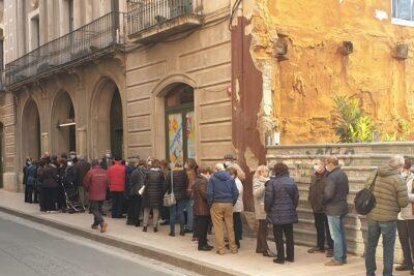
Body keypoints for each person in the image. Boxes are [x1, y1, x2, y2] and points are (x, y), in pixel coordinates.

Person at [365, 155, 409, 276]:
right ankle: (387, 274)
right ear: (399, 166)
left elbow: (366, 189)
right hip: (388, 219)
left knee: (371, 246)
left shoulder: (375, 173)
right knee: (388, 248)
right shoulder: (398, 179)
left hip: (372, 216)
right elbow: (403, 202)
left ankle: (370, 273)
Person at [265, 162, 299, 264]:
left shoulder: (272, 183)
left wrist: (267, 209)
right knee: (289, 236)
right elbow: (296, 197)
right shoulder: (291, 181)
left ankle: (280, 258)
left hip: (276, 214)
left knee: (278, 236)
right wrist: (292, 208)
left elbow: (268, 199)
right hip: (289, 213)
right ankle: (290, 256)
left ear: (276, 171)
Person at [322, 155, 349, 266]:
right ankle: (343, 257)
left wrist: (322, 201)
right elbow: (347, 190)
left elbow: (328, 194)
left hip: (333, 209)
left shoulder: (332, 176)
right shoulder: (343, 174)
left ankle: (338, 259)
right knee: (341, 234)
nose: (326, 166)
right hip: (342, 207)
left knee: (335, 236)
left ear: (331, 164)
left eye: (326, 164)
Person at [207, 163, 239, 255]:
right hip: (229, 203)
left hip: (216, 203)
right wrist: (232, 202)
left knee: (218, 227)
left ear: (216, 170)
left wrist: (211, 204)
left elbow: (209, 193)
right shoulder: (230, 178)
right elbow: (236, 193)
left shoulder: (212, 179)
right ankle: (233, 248)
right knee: (230, 226)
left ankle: (221, 249)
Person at [308, 158, 333, 257]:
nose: (315, 166)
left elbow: (330, 192)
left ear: (323, 165)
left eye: (317, 164)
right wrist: (310, 199)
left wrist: (325, 202)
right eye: (314, 164)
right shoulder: (314, 176)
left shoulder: (329, 176)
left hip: (326, 207)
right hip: (316, 206)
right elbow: (311, 188)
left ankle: (331, 248)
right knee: (319, 227)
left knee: (329, 228)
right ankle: (320, 246)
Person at [396, 157, 414, 273]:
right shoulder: (397, 179)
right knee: (403, 239)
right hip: (400, 214)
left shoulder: (413, 179)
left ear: (404, 167)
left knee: (413, 240)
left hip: (411, 214)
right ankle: (407, 263)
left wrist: (405, 195)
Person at [253, 165, 275, 257]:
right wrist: (264, 186)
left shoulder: (269, 180)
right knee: (263, 229)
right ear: (259, 173)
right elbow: (256, 194)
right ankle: (265, 250)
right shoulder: (257, 180)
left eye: (267, 171)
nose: (266, 173)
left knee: (262, 228)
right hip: (261, 208)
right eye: (264, 171)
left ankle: (259, 248)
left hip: (267, 208)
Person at [83, 160, 109, 233]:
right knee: (99, 209)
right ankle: (95, 224)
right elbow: (108, 182)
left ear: (92, 165)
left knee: (94, 209)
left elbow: (86, 182)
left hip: (94, 193)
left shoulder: (91, 172)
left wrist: (87, 190)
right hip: (103, 193)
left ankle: (102, 223)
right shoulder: (104, 171)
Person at [193, 166, 213, 251]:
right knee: (202, 228)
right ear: (206, 172)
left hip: (201, 208)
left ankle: (204, 243)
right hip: (202, 209)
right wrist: (211, 195)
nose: (210, 175)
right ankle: (201, 245)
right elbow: (205, 194)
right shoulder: (202, 181)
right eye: (210, 173)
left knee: (203, 227)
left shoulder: (199, 180)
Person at [142, 159, 164, 232]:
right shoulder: (161, 173)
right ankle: (155, 227)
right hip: (157, 194)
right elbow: (162, 184)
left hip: (148, 194)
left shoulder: (148, 172)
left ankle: (145, 226)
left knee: (146, 210)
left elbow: (144, 183)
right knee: (155, 211)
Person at [166, 167, 189, 236]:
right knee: (180, 212)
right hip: (181, 195)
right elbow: (186, 184)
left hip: (172, 195)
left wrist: (164, 192)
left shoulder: (170, 174)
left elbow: (166, 184)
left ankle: (172, 232)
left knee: (172, 213)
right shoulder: (184, 174)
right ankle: (182, 231)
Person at [227, 166, 244, 249]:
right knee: (234, 224)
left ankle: (236, 242)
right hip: (234, 206)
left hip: (235, 206)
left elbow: (235, 194)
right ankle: (234, 241)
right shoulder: (234, 181)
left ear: (234, 174)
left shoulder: (237, 182)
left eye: (230, 175)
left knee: (235, 225)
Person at [126, 159, 146, 227]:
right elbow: (142, 183)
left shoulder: (135, 171)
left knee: (134, 206)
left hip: (135, 191)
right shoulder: (144, 172)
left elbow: (131, 182)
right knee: (138, 206)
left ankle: (133, 220)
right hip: (140, 191)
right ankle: (136, 220)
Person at [184, 159, 197, 236]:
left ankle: (189, 227)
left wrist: (188, 191)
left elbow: (191, 183)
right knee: (191, 210)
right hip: (193, 193)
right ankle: (191, 226)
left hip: (191, 194)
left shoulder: (190, 173)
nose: (185, 164)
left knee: (190, 210)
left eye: (186, 163)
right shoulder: (193, 172)